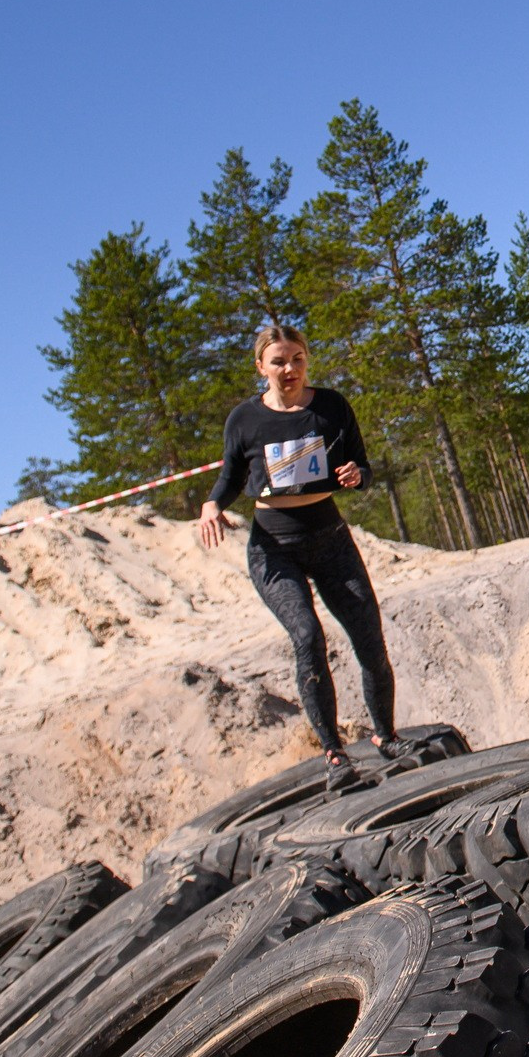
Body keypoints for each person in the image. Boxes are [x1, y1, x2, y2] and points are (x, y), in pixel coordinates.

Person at [196, 325, 400, 791]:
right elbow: (229, 477)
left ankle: (387, 736)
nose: (289, 369)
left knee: (369, 638)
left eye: (297, 359)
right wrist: (211, 505)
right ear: (261, 367)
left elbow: (363, 466)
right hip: (274, 546)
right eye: (278, 361)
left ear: (307, 361)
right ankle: (334, 755)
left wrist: (355, 475)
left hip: (329, 537)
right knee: (307, 635)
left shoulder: (331, 406)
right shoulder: (244, 420)